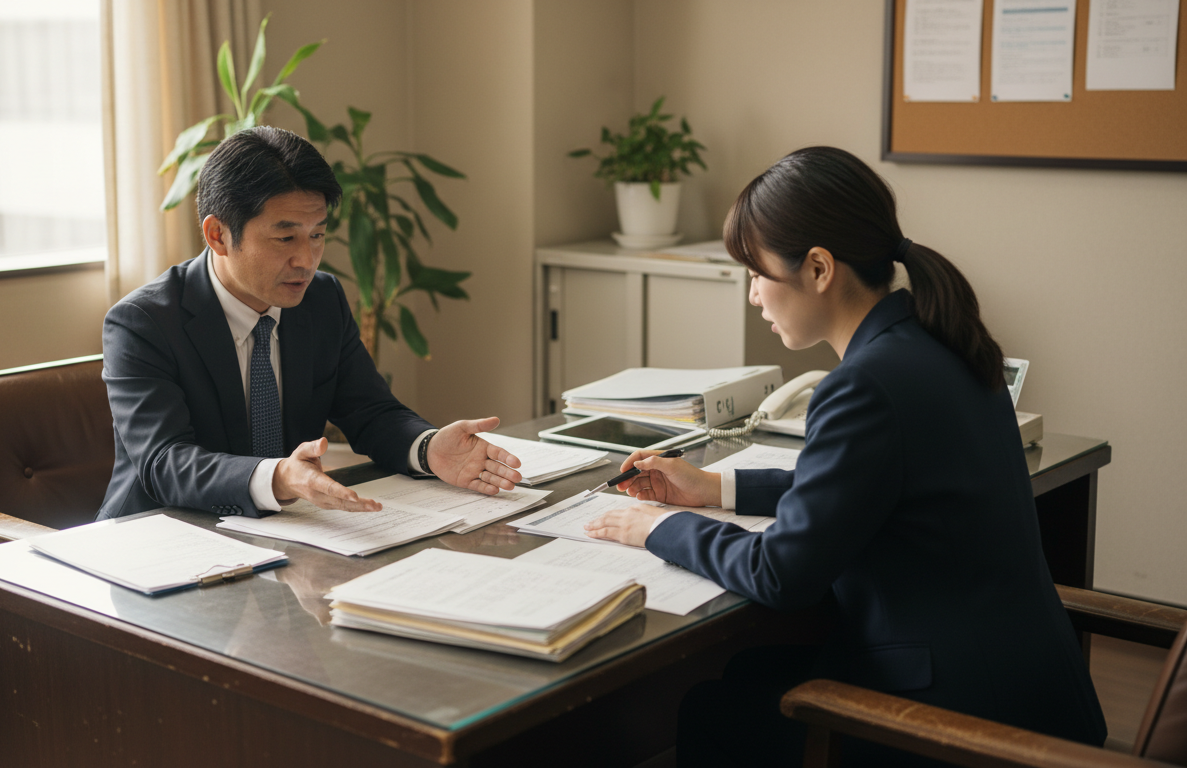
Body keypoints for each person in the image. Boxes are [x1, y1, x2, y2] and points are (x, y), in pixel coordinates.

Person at [583, 147, 1105, 766]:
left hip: (953, 720)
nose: (754, 297)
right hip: (1027, 689)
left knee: (712, 708)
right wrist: (713, 490)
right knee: (747, 672)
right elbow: (868, 486)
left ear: (819, 269)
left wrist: (659, 528)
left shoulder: (863, 385)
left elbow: (781, 574)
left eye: (757, 274)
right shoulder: (942, 341)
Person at [97, 126, 520, 521]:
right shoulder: (143, 323)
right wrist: (277, 476)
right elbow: (164, 462)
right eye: (285, 238)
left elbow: (370, 412)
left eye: (317, 234)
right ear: (218, 235)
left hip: (285, 533)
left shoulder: (321, 299)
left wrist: (427, 449)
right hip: (163, 538)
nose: (306, 259)